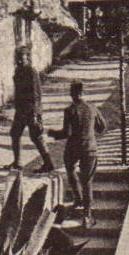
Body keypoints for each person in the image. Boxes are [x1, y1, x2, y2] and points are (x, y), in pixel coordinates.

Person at [50, 80, 106, 220]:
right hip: (90, 149)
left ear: (72, 94)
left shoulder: (70, 110)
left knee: (70, 168)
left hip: (73, 148)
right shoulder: (93, 108)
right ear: (83, 93)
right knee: (87, 181)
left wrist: (53, 133)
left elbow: (66, 133)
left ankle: (78, 197)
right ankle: (87, 214)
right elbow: (102, 127)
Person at [8, 46, 53, 173]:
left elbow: (35, 94)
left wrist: (35, 114)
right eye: (18, 57)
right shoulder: (18, 71)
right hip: (21, 110)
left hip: (31, 110)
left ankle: (48, 163)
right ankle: (17, 162)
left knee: (36, 136)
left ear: (27, 57)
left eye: (22, 57)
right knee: (15, 134)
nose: (19, 60)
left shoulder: (31, 71)